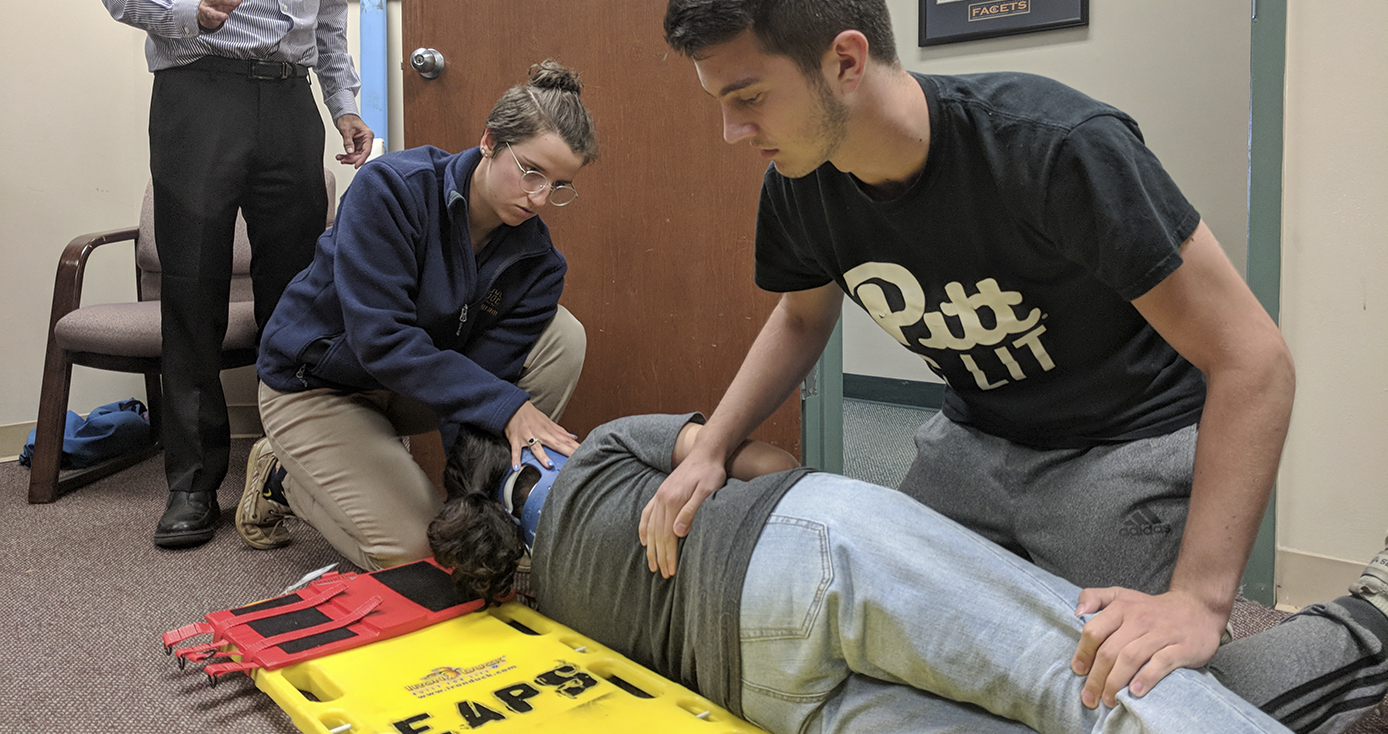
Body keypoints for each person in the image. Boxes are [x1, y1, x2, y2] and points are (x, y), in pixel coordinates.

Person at [642, 0, 1298, 711]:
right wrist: (713, 447)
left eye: (748, 98)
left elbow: (1254, 360)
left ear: (846, 61)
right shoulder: (799, 186)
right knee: (873, 639)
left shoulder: (1055, 145)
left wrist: (1198, 600)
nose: (732, 132)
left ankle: (1349, 633)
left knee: (1108, 684)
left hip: (1122, 442)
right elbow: (802, 316)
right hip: (975, 436)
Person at [430, 413, 1388, 734]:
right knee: (1093, 680)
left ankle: (1362, 630)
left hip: (764, 695)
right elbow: (746, 458)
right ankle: (1368, 625)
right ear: (536, 465)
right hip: (797, 554)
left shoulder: (547, 606)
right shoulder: (596, 451)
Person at [234, 60, 598, 571]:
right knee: (413, 556)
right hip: (319, 384)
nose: (539, 197)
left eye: (558, 186)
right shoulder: (392, 190)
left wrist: (472, 508)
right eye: (531, 171)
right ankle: (283, 478)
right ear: (490, 141)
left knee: (562, 335)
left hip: (411, 386)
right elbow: (381, 340)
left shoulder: (538, 264)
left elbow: (480, 388)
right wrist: (509, 408)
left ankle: (477, 493)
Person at [102, 0, 375, 549]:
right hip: (197, 93)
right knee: (192, 285)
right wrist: (194, 14)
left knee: (300, 296)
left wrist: (343, 106)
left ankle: (295, 468)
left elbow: (326, 25)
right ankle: (193, 485)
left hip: (290, 99)